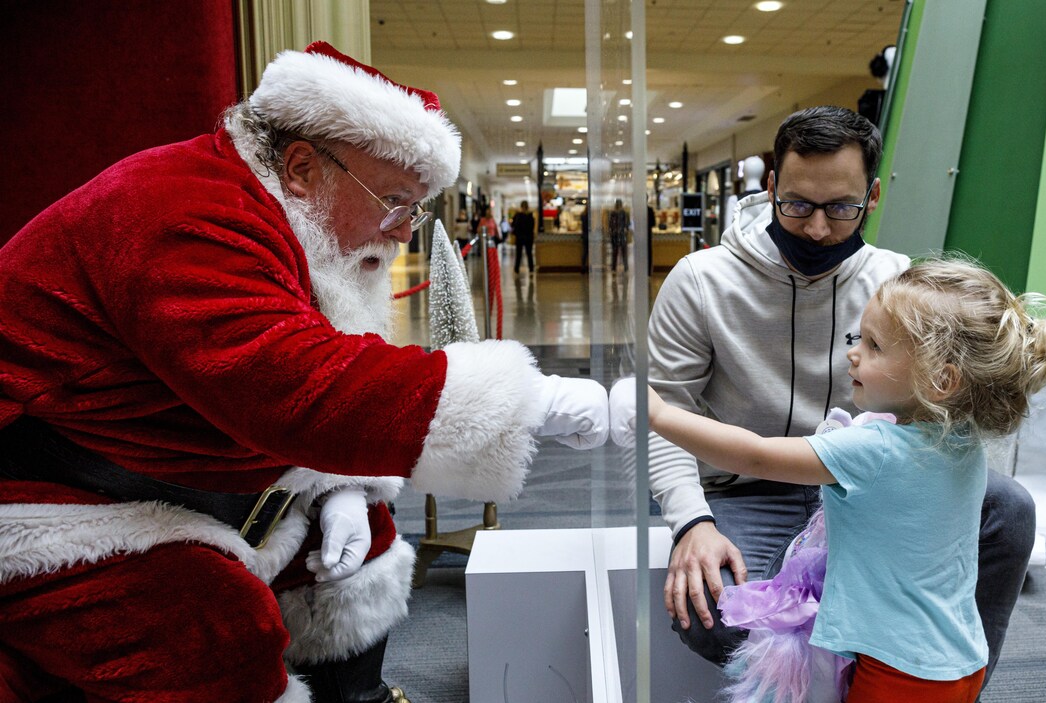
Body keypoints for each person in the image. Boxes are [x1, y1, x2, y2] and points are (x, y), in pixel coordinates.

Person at [0, 42, 610, 703]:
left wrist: (336, 488)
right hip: (51, 499)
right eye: (396, 200)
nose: (405, 231)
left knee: (359, 538)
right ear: (301, 169)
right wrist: (534, 397)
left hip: (174, 473)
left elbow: (306, 367)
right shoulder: (183, 209)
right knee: (212, 624)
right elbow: (293, 386)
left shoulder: (286, 222)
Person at [645, 106, 1038, 693]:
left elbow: (945, 410)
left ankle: (943, 678)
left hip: (872, 479)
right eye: (798, 204)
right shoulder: (701, 280)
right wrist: (691, 523)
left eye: (841, 208)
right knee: (708, 609)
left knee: (1009, 509)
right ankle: (857, 670)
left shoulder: (897, 285)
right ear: (770, 186)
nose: (818, 229)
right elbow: (666, 416)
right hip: (746, 489)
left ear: (873, 196)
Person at [648, 257, 1046, 702]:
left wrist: (659, 415)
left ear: (941, 380)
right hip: (958, 657)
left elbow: (755, 454)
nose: (853, 353)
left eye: (874, 346)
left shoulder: (876, 449)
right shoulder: (961, 439)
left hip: (897, 672)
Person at [511, 199, 537, 274]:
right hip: (528, 237)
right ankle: (531, 269)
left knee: (519, 254)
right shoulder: (530, 216)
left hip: (520, 237)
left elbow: (514, 225)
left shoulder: (518, 215)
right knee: (529, 254)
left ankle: (516, 269)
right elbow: (532, 226)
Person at [608, 198, 630, 272]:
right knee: (624, 252)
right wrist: (625, 230)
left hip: (615, 235)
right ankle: (626, 267)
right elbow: (627, 224)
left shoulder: (613, 213)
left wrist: (612, 231)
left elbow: (610, 224)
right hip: (622, 235)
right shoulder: (624, 213)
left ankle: (614, 268)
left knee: (615, 252)